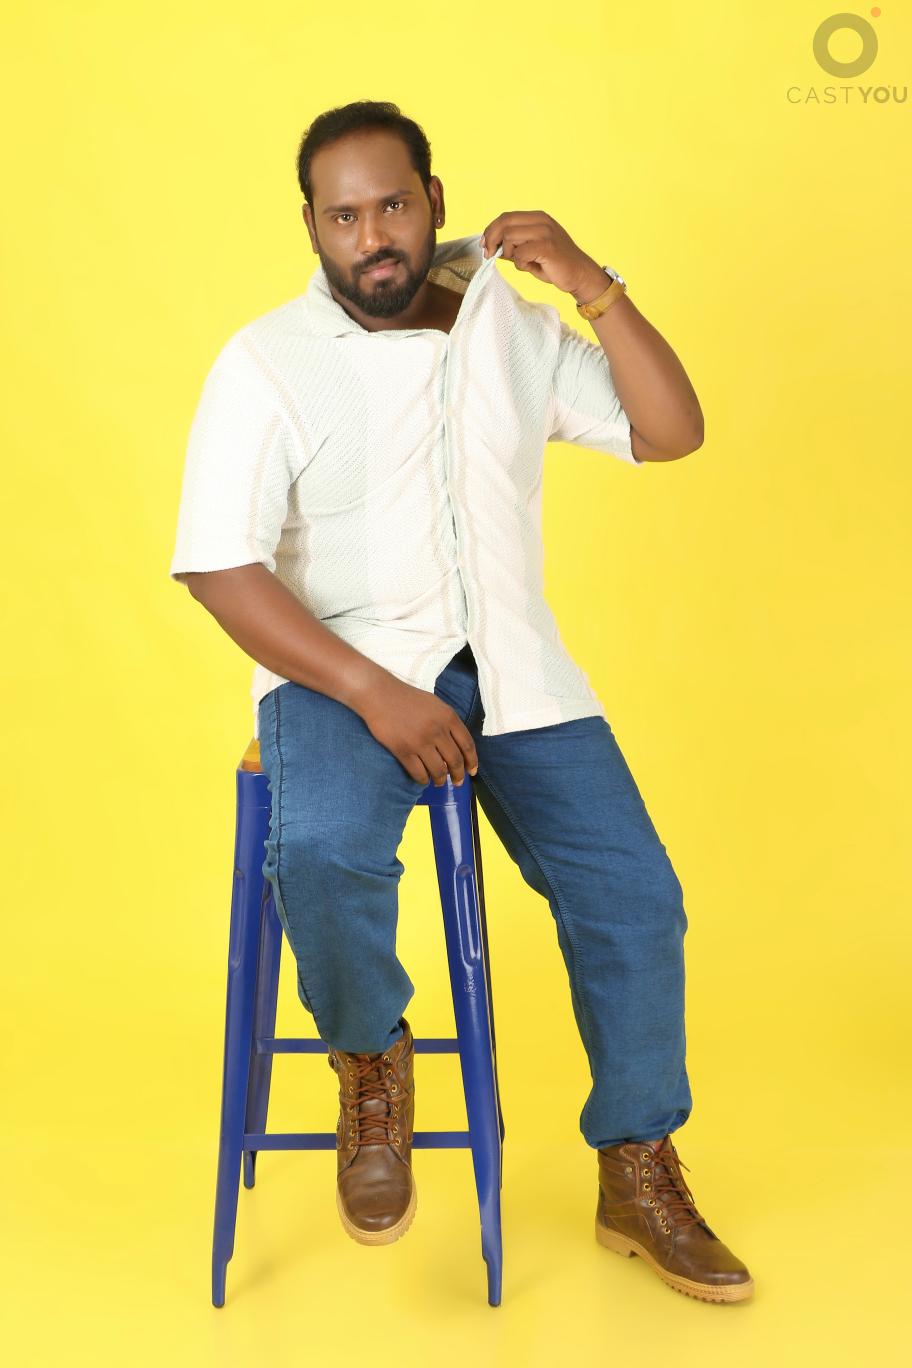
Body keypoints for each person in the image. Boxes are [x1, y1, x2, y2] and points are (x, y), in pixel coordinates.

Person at [169, 99, 753, 1303]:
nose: (372, 236)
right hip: (337, 672)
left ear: (433, 198)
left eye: (392, 205)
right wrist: (376, 694)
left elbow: (671, 431)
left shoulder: (514, 330)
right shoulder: (265, 362)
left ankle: (636, 1165)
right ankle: (371, 1058)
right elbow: (220, 567)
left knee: (636, 898)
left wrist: (593, 286)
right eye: (343, 216)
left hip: (514, 669)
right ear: (310, 226)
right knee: (322, 851)